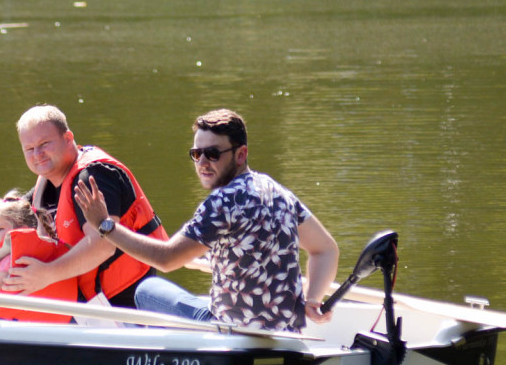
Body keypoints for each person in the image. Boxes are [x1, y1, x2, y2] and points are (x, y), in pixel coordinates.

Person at [73, 109, 339, 333]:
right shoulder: (279, 194)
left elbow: (167, 259)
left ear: (241, 154)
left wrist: (105, 225)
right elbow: (325, 249)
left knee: (147, 289)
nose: (202, 162)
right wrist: (312, 298)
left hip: (233, 334)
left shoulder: (222, 203)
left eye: (212, 154)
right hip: (286, 334)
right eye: (196, 154)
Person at [0, 105, 168, 308]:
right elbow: (3, 230)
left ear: (68, 138)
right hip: (82, 307)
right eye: (30, 149)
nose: (37, 154)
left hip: (119, 309)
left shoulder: (94, 176)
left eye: (44, 144)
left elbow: (103, 245)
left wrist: (47, 274)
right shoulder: (46, 187)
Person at [0, 193, 76, 323]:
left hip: (7, 321)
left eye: (0, 229)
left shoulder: (8, 260)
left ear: (23, 230)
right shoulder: (27, 254)